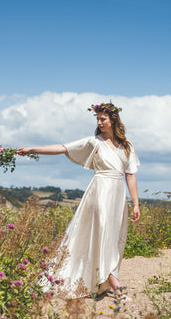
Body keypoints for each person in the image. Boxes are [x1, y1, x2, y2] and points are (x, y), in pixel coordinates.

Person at [17, 102, 140, 299]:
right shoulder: (94, 142)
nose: (99, 122)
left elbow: (130, 176)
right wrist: (33, 149)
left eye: (103, 119)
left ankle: (104, 279)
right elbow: (63, 148)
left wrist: (135, 203)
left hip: (118, 196)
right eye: (97, 119)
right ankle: (115, 284)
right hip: (99, 191)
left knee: (115, 237)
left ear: (113, 120)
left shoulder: (127, 146)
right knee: (104, 234)